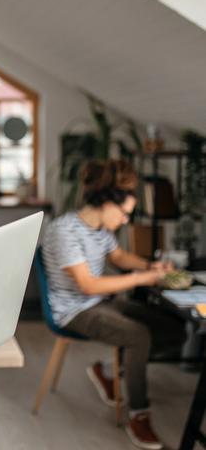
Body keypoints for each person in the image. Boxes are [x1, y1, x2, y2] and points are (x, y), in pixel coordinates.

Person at [42, 159, 186, 450]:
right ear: (107, 202)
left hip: (99, 303)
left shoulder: (101, 231)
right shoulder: (64, 231)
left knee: (175, 330)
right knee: (138, 336)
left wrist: (152, 266)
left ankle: (107, 370)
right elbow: (88, 285)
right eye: (124, 214)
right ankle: (138, 415)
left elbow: (119, 258)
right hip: (73, 312)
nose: (126, 221)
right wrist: (142, 279)